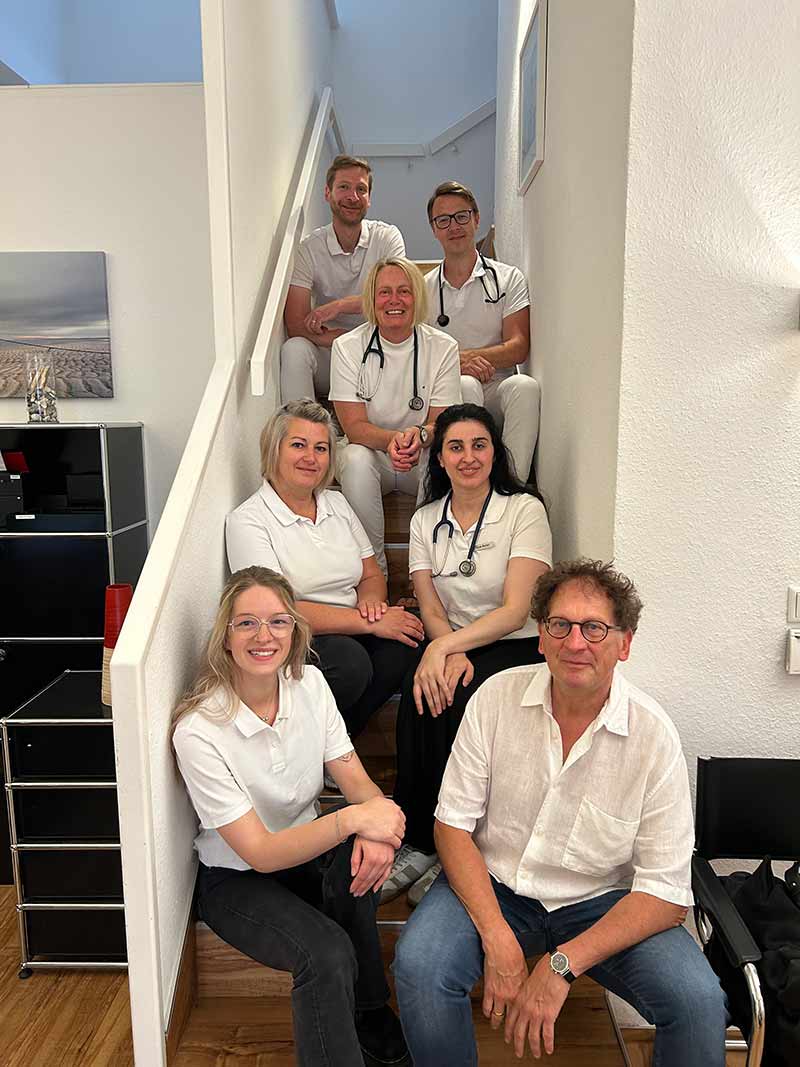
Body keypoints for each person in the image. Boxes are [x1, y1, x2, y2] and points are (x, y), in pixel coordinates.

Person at [393, 559, 727, 1067]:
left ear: (625, 643)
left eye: (594, 628)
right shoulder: (494, 699)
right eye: (560, 625)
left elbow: (665, 895)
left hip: (601, 901)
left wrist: (562, 965)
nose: (575, 643)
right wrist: (497, 935)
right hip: (496, 885)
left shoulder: (654, 736)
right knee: (420, 966)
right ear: (540, 638)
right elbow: (452, 826)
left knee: (698, 1002)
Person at [172, 566, 410, 1067]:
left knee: (359, 860)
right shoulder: (199, 731)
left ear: (295, 630)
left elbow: (356, 781)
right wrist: (354, 820)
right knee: (326, 953)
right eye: (247, 623)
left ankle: (369, 1011)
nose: (264, 636)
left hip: (306, 855)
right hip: (237, 879)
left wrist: (376, 828)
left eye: (278, 621)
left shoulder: (311, 685)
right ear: (225, 636)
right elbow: (260, 852)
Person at [382, 403, 552, 903]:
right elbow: (430, 604)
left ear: (495, 452)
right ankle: (419, 840)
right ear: (439, 458)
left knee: (461, 694)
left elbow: (517, 610)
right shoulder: (424, 520)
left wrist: (448, 648)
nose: (468, 457)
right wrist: (443, 648)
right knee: (419, 690)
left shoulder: (524, 510)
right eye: (455, 447)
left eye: (480, 445)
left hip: (514, 644)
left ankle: (463, 844)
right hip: (451, 638)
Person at [225, 399, 423, 740]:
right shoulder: (248, 521)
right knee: (350, 663)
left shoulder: (336, 502)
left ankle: (334, 743)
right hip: (294, 635)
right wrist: (369, 622)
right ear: (274, 450)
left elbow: (371, 574)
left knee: (411, 638)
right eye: (298, 445)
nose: (311, 457)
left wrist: (373, 604)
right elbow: (275, 611)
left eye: (321, 448)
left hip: (354, 625)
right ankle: (325, 748)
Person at [330, 257, 461, 574]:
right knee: (354, 458)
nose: (394, 300)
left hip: (421, 451)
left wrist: (420, 436)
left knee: (440, 456)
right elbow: (354, 427)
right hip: (373, 456)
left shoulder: (443, 347)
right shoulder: (347, 347)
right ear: (372, 300)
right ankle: (375, 573)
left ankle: (425, 574)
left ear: (417, 297)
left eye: (404, 291)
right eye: (384, 292)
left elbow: (442, 423)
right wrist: (394, 440)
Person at [424, 180, 540, 482]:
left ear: (476, 219)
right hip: (449, 389)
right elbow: (417, 353)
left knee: (526, 387)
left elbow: (518, 346)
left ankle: (511, 487)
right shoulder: (422, 289)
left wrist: (465, 357)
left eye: (461, 216)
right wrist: (457, 364)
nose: (454, 226)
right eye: (443, 220)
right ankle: (469, 484)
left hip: (497, 385)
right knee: (465, 384)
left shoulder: (508, 278)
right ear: (434, 229)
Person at [281, 154, 405, 403]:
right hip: (330, 348)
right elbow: (295, 323)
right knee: (294, 349)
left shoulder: (387, 237)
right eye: (344, 187)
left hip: (381, 347)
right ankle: (303, 423)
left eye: (361, 189)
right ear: (327, 193)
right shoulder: (309, 248)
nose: (353, 197)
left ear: (369, 198)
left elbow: (397, 300)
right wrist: (340, 338)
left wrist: (339, 306)